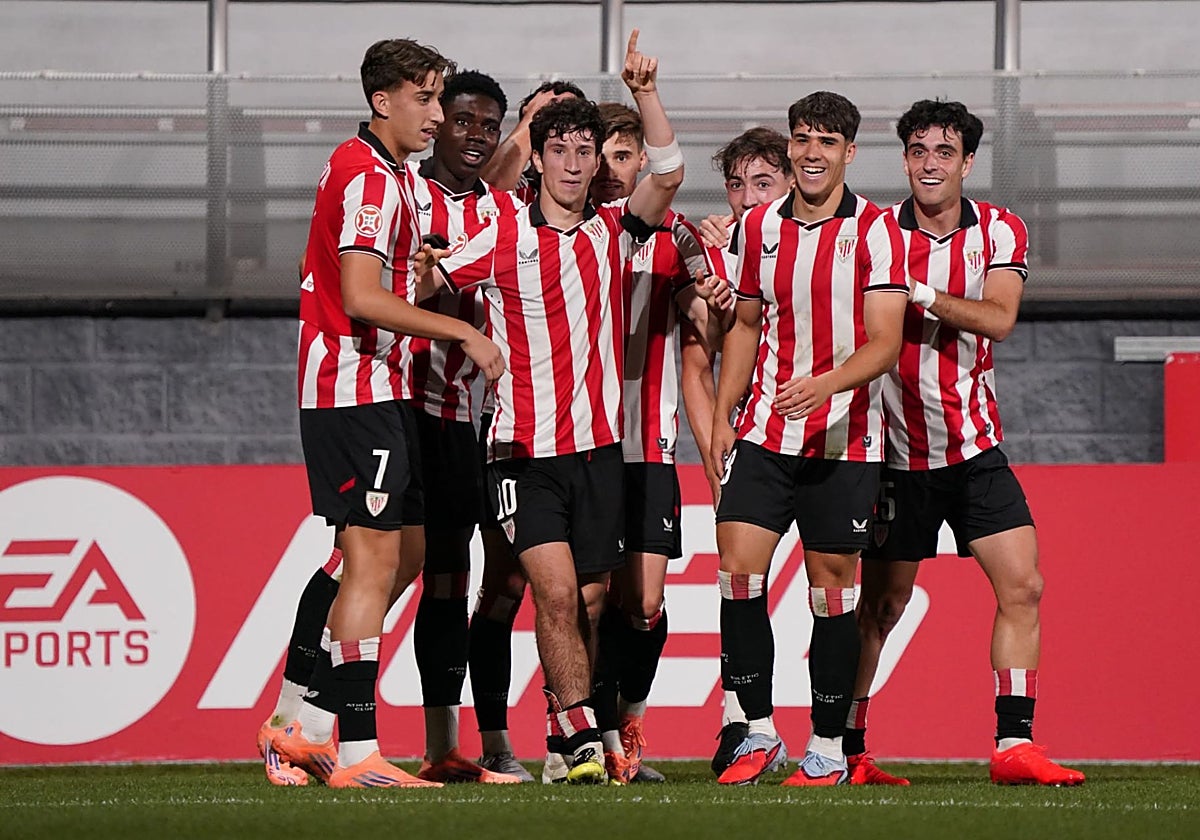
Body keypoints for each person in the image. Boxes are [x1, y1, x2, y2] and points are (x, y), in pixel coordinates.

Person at [423, 30, 683, 785]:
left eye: (583, 152)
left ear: (595, 163)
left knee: (595, 596)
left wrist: (644, 94)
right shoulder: (499, 233)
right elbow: (416, 294)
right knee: (556, 592)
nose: (572, 164)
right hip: (521, 451)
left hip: (601, 452)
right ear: (533, 159)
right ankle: (572, 745)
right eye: (558, 150)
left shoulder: (612, 233)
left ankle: (565, 729)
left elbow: (665, 170)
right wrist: (457, 333)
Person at [827, 98, 1085, 787]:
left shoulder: (1001, 229)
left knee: (1024, 585)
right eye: (917, 150)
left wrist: (921, 293)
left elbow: (999, 318)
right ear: (905, 159)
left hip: (974, 450)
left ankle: (1014, 745)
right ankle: (850, 751)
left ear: (967, 162)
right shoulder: (874, 230)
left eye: (944, 151)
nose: (929, 163)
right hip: (894, 456)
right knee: (880, 609)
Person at [271, 38, 503, 790]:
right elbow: (365, 298)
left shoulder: (387, 174)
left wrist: (441, 279)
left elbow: (392, 287)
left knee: (399, 555)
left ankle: (300, 730)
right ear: (383, 101)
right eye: (426, 99)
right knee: (371, 561)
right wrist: (463, 328)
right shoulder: (370, 177)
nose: (438, 115)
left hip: (382, 387)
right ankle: (356, 751)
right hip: (351, 384)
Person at [708, 91, 908, 786]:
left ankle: (826, 745)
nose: (811, 151)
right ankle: (758, 732)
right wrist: (721, 410)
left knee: (831, 591)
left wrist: (827, 385)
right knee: (736, 571)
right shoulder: (757, 228)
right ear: (790, 148)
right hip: (765, 432)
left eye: (826, 140)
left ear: (850, 152)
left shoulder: (879, 231)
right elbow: (744, 324)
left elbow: (885, 341)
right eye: (802, 138)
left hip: (844, 442)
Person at [586, 101, 712, 784]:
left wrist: (712, 301)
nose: (611, 170)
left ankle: (626, 726)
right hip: (578, 440)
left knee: (644, 605)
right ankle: (581, 739)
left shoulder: (675, 235)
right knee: (587, 597)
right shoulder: (564, 229)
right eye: (601, 155)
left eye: (624, 155)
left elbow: (701, 310)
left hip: (649, 444)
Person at [679, 127, 794, 778]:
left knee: (849, 590)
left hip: (829, 436)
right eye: (737, 184)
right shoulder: (713, 258)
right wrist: (712, 448)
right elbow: (696, 363)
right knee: (739, 578)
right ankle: (742, 721)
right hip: (749, 442)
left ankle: (844, 740)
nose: (747, 198)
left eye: (763, 183)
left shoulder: (837, 241)